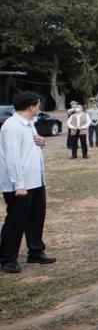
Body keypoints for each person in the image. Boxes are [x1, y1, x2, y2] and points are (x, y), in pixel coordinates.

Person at [0, 91, 55, 274]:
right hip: (20, 184)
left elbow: (32, 146)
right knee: (16, 221)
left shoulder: (29, 124)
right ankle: (7, 258)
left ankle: (36, 251)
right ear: (31, 106)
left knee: (36, 218)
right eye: (38, 104)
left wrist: (41, 142)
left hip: (35, 180)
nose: (39, 107)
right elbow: (12, 158)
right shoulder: (12, 127)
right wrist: (18, 184)